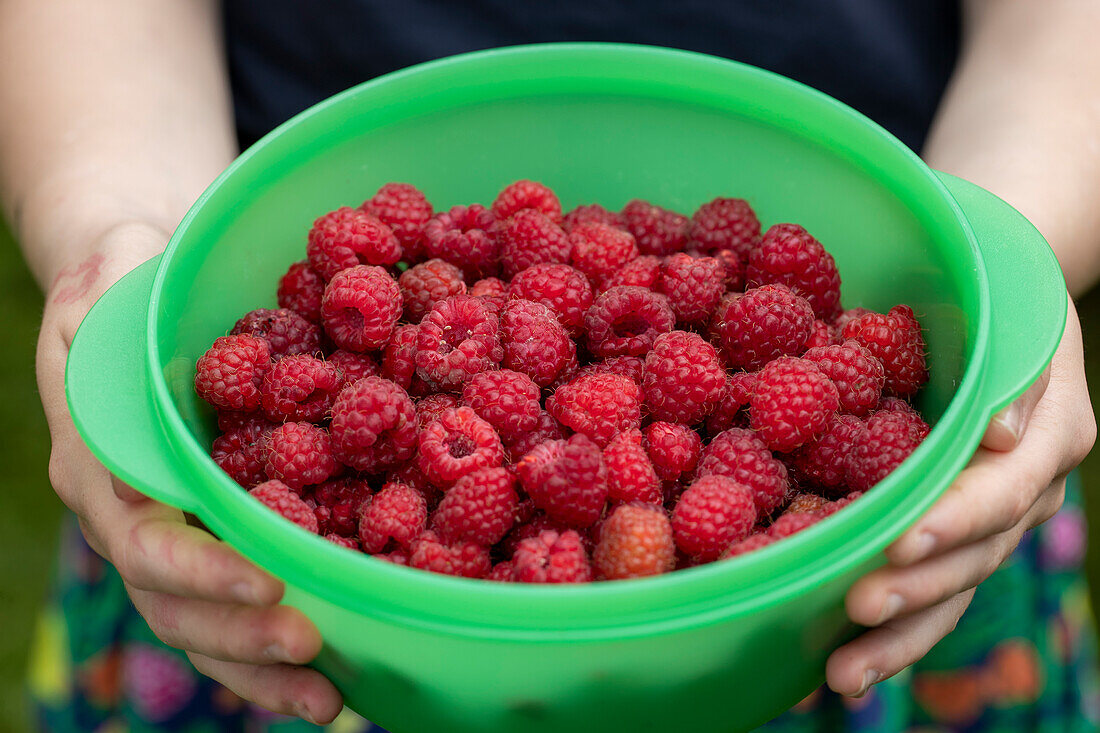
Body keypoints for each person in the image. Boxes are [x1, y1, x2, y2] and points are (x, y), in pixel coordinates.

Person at [1, 0, 1097, 730]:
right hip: (294, 598)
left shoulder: (773, 391)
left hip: (871, 559)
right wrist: (120, 223)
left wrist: (1012, 233)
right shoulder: (425, 381)